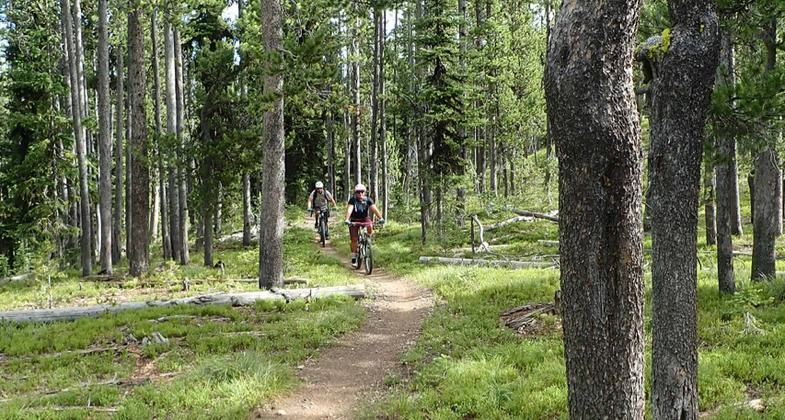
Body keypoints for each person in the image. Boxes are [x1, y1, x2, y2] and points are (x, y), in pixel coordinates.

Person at [343, 183, 384, 265]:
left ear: (365, 192)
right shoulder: (353, 200)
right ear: (355, 193)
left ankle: (368, 240)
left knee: (370, 226)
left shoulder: (368, 200)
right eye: (358, 192)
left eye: (362, 192)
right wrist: (347, 219)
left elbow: (374, 209)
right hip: (354, 220)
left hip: (365, 219)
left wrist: (381, 218)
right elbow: (349, 210)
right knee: (354, 239)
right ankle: (354, 256)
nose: (360, 194)